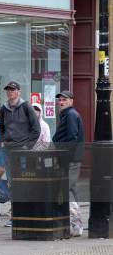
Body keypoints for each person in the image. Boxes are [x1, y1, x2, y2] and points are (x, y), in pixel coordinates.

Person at [0, 81, 41, 227]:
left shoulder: (26, 106)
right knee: (12, 183)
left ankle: (25, 214)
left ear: (19, 92)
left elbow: (36, 129)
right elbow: (1, 127)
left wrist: (27, 146)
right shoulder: (3, 108)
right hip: (8, 150)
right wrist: (3, 141)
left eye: (13, 90)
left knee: (23, 181)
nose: (10, 92)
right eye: (8, 90)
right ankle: (15, 216)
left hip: (22, 151)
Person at [52, 90, 84, 237]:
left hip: (70, 159)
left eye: (64, 100)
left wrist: (63, 155)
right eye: (60, 100)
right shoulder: (67, 114)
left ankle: (74, 225)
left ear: (71, 101)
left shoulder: (71, 115)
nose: (61, 102)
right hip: (71, 158)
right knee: (72, 190)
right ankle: (76, 225)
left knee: (67, 189)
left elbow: (72, 137)